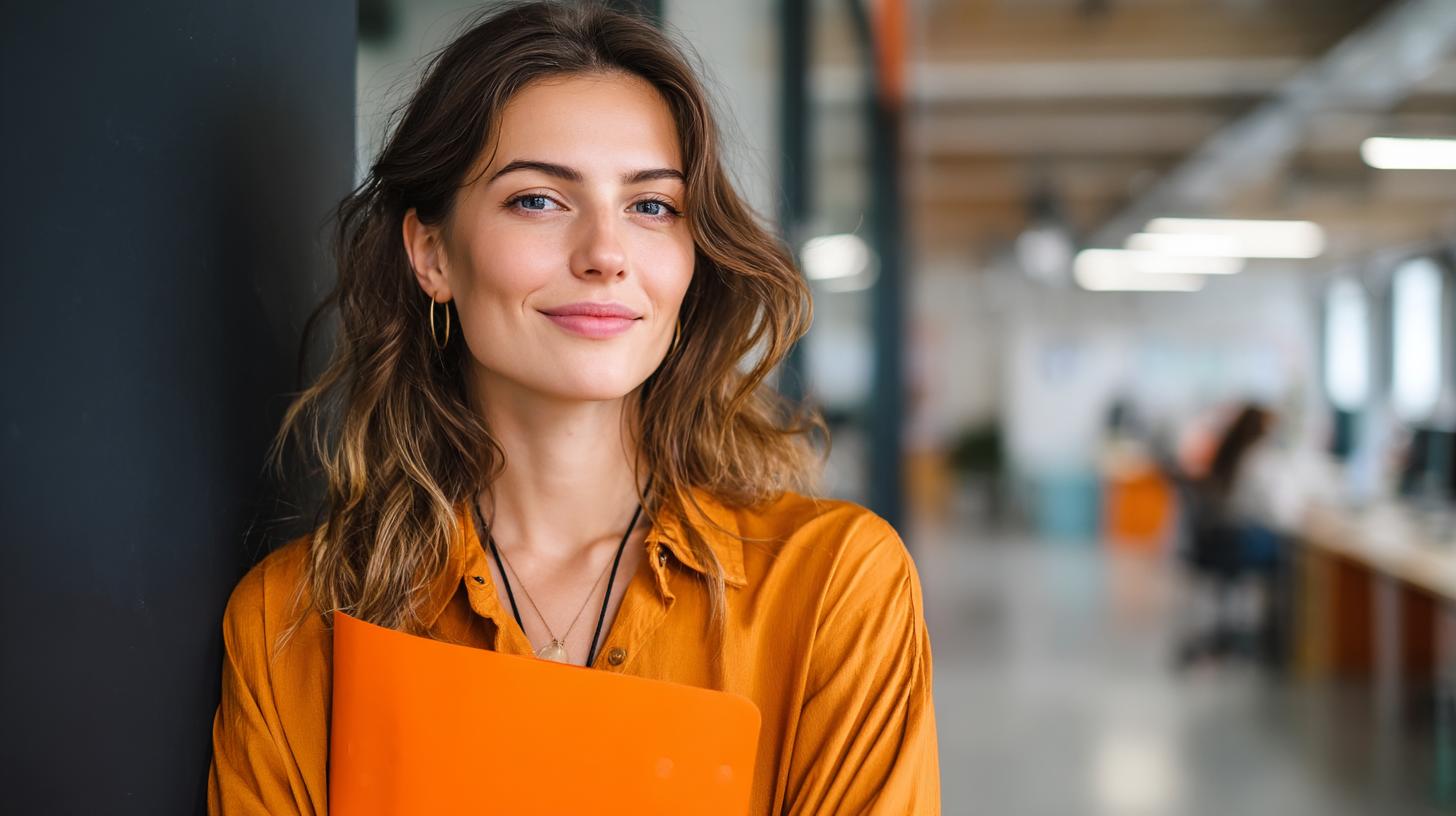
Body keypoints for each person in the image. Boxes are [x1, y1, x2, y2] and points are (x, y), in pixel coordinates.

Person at [206, 2, 940, 813]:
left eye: (651, 206)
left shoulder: (832, 588)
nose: (604, 254)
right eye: (539, 200)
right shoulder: (294, 622)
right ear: (432, 252)